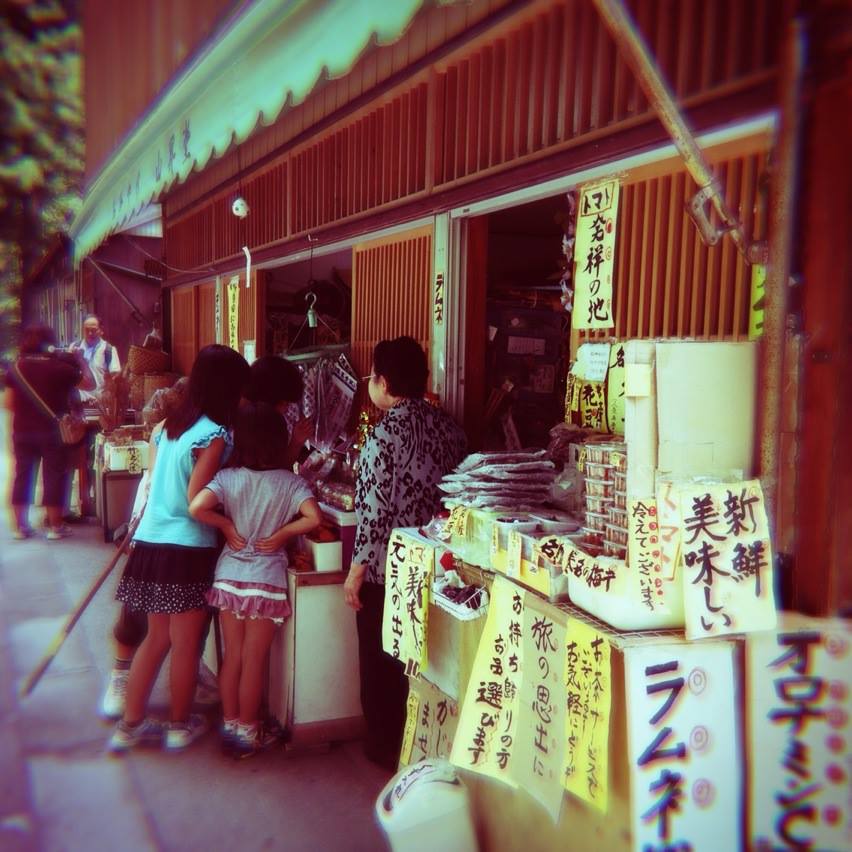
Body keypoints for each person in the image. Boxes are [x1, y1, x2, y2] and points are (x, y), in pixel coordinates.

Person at [107, 344, 250, 753]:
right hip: (186, 550)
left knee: (156, 640)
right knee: (185, 644)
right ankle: (176, 726)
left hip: (151, 544)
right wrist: (226, 523)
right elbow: (195, 502)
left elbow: (158, 486)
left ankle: (128, 726)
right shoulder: (215, 435)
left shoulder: (170, 427)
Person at [343, 336, 466, 770]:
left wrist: (356, 572)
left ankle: (385, 748)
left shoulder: (382, 435)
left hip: (387, 570)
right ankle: (424, 748)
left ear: (383, 381)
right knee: (426, 662)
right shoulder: (450, 427)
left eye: (372, 376)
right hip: (441, 563)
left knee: (383, 663)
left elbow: (373, 515)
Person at [189, 401, 321, 757]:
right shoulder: (290, 483)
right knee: (254, 660)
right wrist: (280, 536)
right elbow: (313, 518)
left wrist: (226, 525)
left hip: (229, 578)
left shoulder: (227, 479)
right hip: (265, 581)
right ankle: (248, 732)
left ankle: (231, 722)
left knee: (233, 658)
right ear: (279, 442)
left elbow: (197, 506)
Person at [4, 324, 95, 540]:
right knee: (54, 476)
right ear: (50, 342)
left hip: (22, 432)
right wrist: (79, 359)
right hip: (52, 432)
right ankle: (55, 527)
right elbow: (90, 384)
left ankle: (20, 528)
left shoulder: (16, 368)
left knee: (22, 476)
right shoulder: (59, 368)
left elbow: (8, 403)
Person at [244, 354, 313, 464]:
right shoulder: (246, 428)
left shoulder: (258, 420)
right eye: (284, 403)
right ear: (269, 397)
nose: (286, 410)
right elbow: (274, 471)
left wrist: (296, 442)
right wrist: (296, 443)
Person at [69, 314, 121, 403]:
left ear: (101, 330)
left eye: (93, 330)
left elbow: (115, 377)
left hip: (100, 404)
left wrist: (108, 393)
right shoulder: (74, 347)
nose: (90, 333)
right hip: (78, 403)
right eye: (87, 330)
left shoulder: (109, 350)